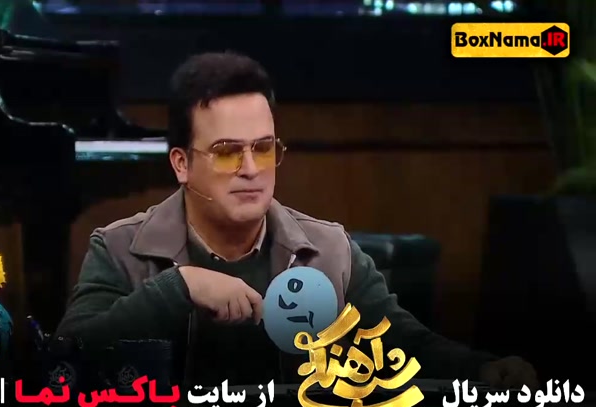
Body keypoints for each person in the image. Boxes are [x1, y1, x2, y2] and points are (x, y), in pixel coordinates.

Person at [56, 52, 538, 389]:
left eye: (264, 148)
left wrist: (484, 369)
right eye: (226, 152)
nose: (250, 169)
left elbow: (405, 344)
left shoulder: (329, 251)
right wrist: (178, 288)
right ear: (181, 164)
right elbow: (67, 358)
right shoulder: (120, 249)